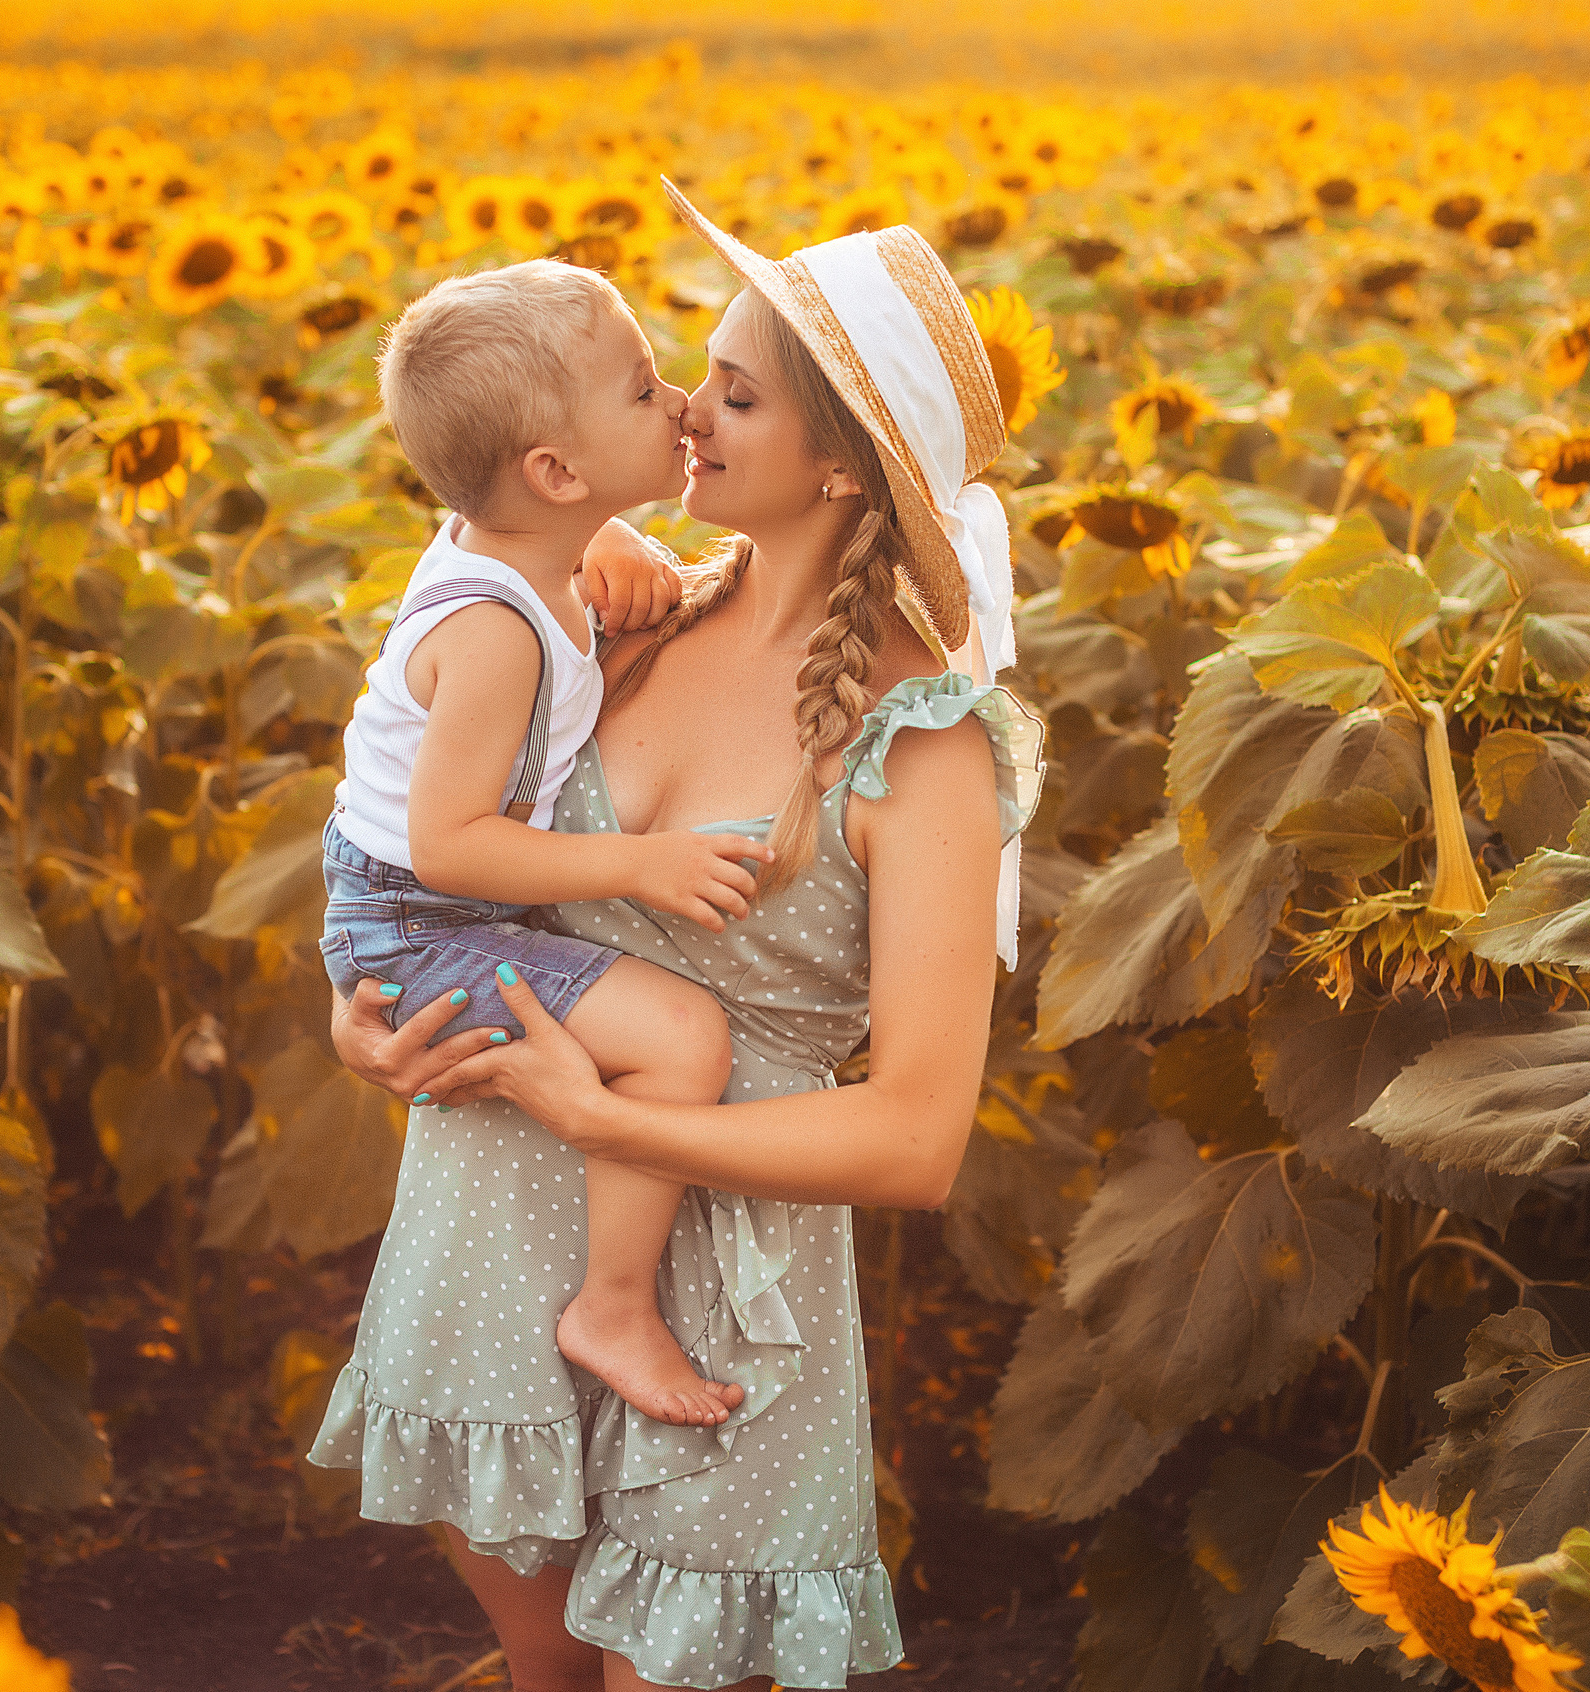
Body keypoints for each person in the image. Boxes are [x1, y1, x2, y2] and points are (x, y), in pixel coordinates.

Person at [312, 183, 1044, 1692]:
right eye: (693, 374)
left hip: (719, 1297)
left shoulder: (929, 750)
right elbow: (444, 858)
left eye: (738, 392)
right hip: (495, 1219)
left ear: (844, 467)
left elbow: (917, 1143)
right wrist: (370, 1022)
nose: (692, 412)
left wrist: (595, 1108)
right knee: (542, 1677)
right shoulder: (612, 616)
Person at [323, 257, 767, 1429]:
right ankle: (610, 1307)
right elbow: (454, 846)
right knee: (682, 1038)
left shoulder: (527, 541)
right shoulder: (494, 638)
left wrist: (603, 533)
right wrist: (642, 866)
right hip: (423, 915)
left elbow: (502, 504)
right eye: (641, 390)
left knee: (664, 1030)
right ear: (555, 472)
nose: (678, 403)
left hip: (417, 903)